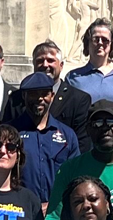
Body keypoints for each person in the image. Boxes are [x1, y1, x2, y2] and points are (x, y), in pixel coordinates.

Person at [11, 72, 80, 208]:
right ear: (24, 96)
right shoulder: (11, 133)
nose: (39, 99)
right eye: (33, 94)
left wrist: (55, 205)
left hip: (57, 213)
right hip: (19, 211)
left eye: (44, 94)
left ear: (52, 96)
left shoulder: (67, 135)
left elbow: (75, 178)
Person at [64, 19, 113, 130]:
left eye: (105, 40)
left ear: (111, 44)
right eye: (96, 39)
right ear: (88, 43)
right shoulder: (73, 77)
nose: (100, 43)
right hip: (86, 142)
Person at [9, 39, 92, 134]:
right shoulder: (16, 99)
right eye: (40, 60)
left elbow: (82, 141)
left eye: (50, 60)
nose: (45, 65)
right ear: (34, 64)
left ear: (61, 65)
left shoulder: (78, 99)